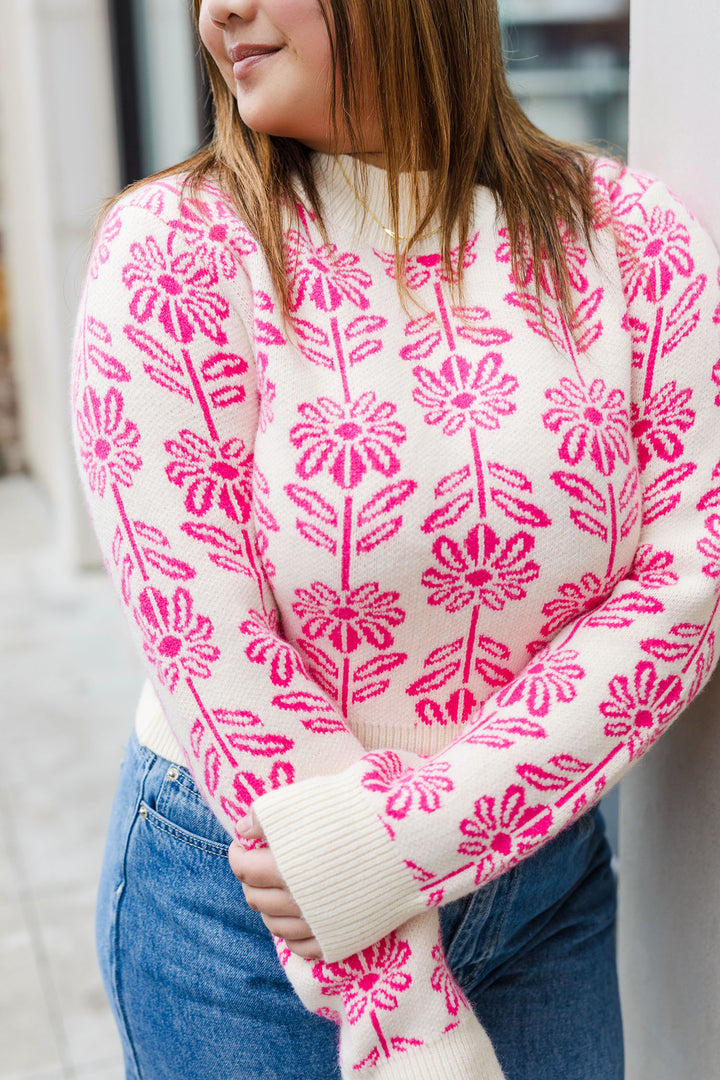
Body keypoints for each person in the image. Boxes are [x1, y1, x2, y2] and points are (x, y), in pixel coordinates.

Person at [71, 0, 720, 1077]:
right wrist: (401, 1010)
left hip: (541, 886)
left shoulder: (631, 237)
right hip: (248, 912)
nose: (215, 10)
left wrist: (422, 832)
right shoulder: (172, 251)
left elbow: (688, 580)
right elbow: (210, 643)